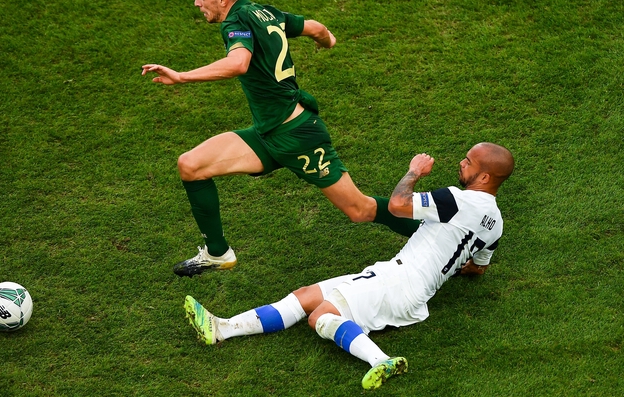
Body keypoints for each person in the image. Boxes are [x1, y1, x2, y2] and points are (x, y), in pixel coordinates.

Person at [183, 143, 515, 390]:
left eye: (468, 162)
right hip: (404, 281)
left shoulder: (459, 199)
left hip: (400, 281)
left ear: (484, 175)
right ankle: (222, 328)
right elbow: (478, 268)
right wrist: (450, 264)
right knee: (305, 296)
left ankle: (381, 361)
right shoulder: (496, 224)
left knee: (320, 316)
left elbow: (399, 205)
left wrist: (414, 171)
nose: (462, 163)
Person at [142, 0, 394, 276]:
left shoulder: (236, 22)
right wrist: (326, 40)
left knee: (360, 210)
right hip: (267, 134)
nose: (196, 2)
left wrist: (181, 77)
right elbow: (315, 27)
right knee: (190, 165)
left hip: (298, 135)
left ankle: (449, 235)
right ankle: (218, 254)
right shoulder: (266, 12)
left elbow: (238, 64)